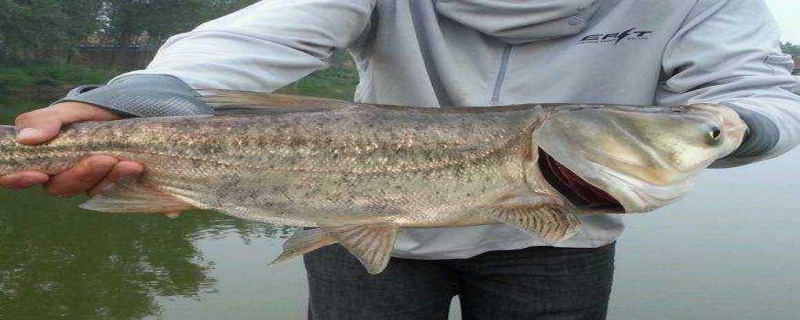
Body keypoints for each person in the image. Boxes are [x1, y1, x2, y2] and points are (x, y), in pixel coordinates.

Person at [3, 0, 799, 319]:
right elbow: (266, 32)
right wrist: (124, 98)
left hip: (561, 237)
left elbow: (763, 95)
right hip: (359, 226)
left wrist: (730, 126)